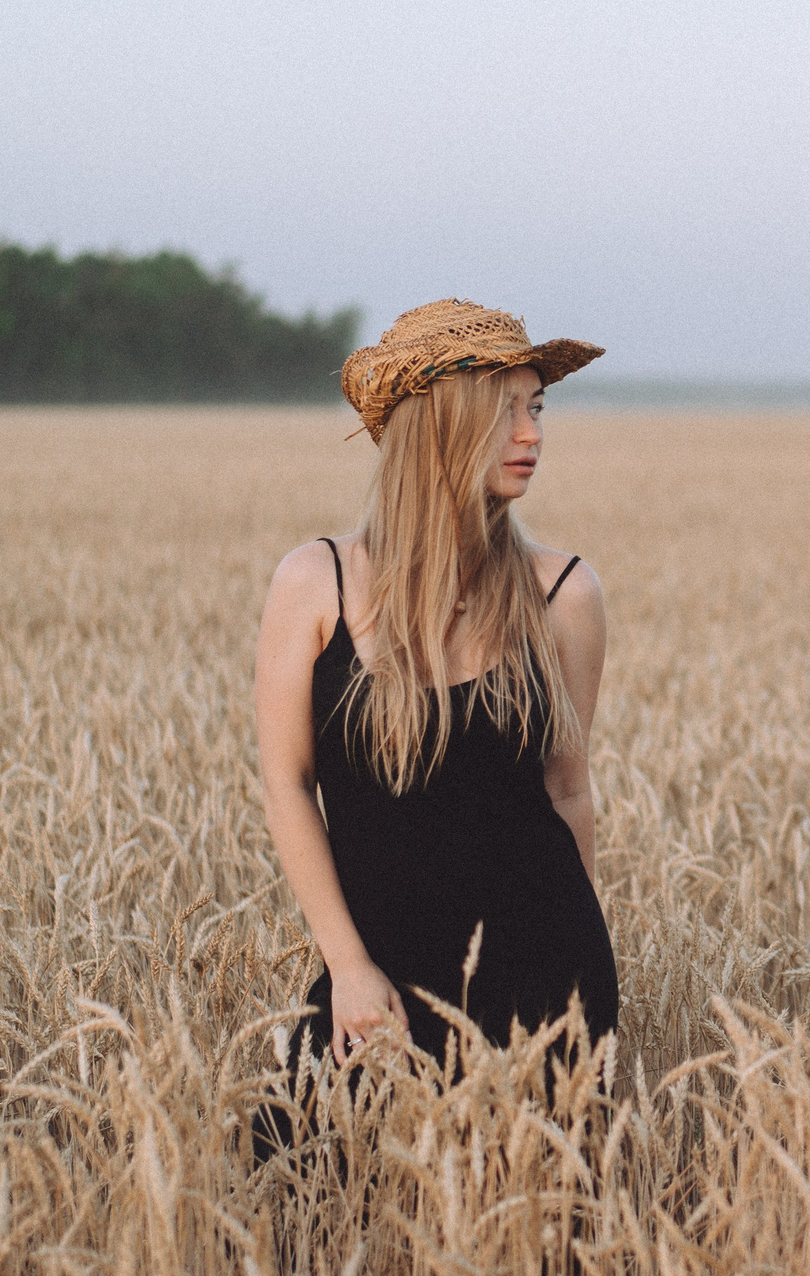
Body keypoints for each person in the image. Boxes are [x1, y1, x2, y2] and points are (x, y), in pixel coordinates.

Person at [252, 299, 619, 1086]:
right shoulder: (317, 582)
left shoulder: (564, 593)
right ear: (440, 425)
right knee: (318, 1194)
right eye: (505, 411)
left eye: (538, 406)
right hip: (373, 985)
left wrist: (586, 982)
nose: (533, 434)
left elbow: (567, 789)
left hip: (541, 981)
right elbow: (286, 784)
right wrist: (346, 966)